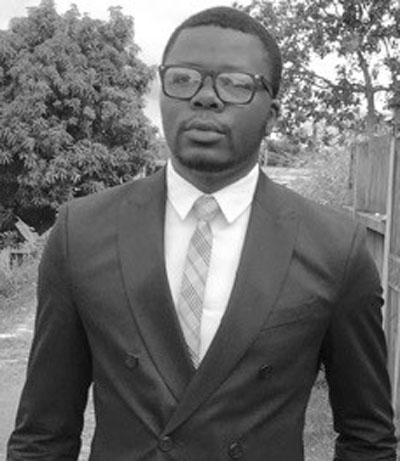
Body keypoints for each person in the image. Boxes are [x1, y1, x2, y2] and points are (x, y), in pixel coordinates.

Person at [7, 6, 397, 460]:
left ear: (272, 115)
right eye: (184, 79)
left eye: (235, 84)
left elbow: (368, 438)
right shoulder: (82, 232)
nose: (205, 98)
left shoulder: (335, 248)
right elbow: (43, 435)